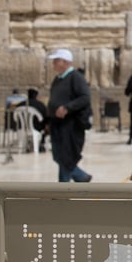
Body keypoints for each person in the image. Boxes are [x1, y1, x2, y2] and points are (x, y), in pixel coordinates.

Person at [46, 48, 92, 182]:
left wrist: (67, 108)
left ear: (65, 62)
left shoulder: (76, 77)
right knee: (58, 156)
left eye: (56, 60)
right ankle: (81, 176)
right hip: (57, 125)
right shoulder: (58, 79)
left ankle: (63, 190)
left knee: (66, 157)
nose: (53, 63)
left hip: (70, 125)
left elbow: (85, 97)